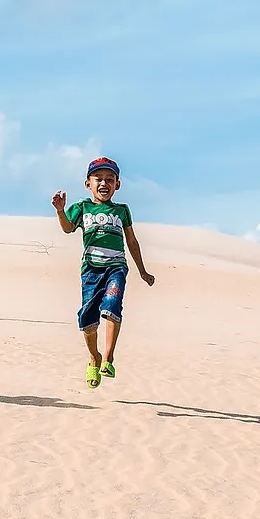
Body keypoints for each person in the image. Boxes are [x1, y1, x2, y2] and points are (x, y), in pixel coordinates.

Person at [51, 157, 155, 388]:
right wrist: (60, 211)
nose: (104, 183)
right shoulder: (82, 207)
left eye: (110, 179)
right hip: (90, 270)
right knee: (88, 318)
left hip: (116, 267)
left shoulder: (122, 211)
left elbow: (132, 242)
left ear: (118, 184)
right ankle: (94, 358)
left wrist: (142, 271)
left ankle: (108, 356)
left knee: (111, 304)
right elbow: (68, 228)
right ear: (88, 183)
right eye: (98, 179)